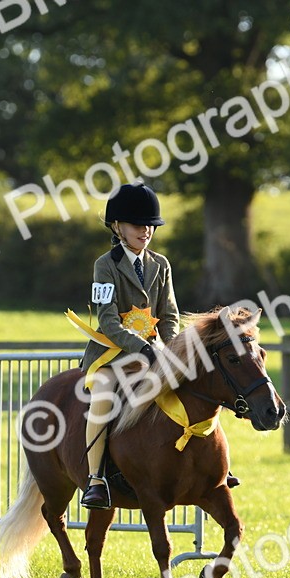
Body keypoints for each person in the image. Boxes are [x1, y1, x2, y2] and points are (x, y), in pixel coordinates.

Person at [79, 183, 179, 509]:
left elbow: (169, 315)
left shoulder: (161, 264)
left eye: (150, 225)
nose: (146, 231)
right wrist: (143, 348)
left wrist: (170, 347)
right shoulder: (104, 265)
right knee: (104, 395)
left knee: (194, 386)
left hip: (153, 352)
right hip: (112, 354)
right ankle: (95, 479)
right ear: (117, 226)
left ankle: (214, 466)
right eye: (138, 224)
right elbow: (108, 322)